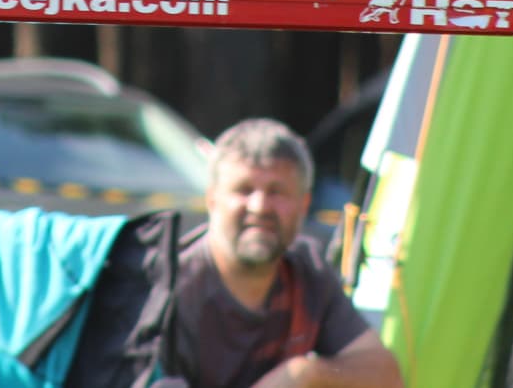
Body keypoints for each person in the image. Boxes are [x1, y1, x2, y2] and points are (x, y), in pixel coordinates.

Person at [168, 118, 403, 388]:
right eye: (243, 190)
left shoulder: (308, 271)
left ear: (305, 204)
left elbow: (387, 375)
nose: (259, 207)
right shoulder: (166, 289)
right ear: (212, 199)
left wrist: (306, 374)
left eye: (277, 192)